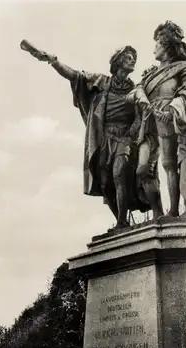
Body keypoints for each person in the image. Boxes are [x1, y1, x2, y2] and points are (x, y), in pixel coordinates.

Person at [29, 44, 151, 229]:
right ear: (118, 62)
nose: (133, 60)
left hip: (125, 138)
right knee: (104, 182)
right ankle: (121, 221)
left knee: (119, 174)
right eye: (128, 57)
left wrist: (131, 135)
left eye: (134, 57)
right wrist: (53, 61)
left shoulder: (135, 88)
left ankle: (121, 222)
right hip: (103, 139)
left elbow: (140, 116)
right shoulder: (102, 81)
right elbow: (75, 76)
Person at [133, 21, 186, 222]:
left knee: (169, 165)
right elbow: (137, 89)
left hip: (169, 119)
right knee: (143, 169)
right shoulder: (150, 74)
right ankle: (157, 211)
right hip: (148, 122)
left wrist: (173, 109)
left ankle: (172, 212)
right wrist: (141, 96)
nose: (154, 48)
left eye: (157, 44)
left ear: (166, 45)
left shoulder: (185, 67)